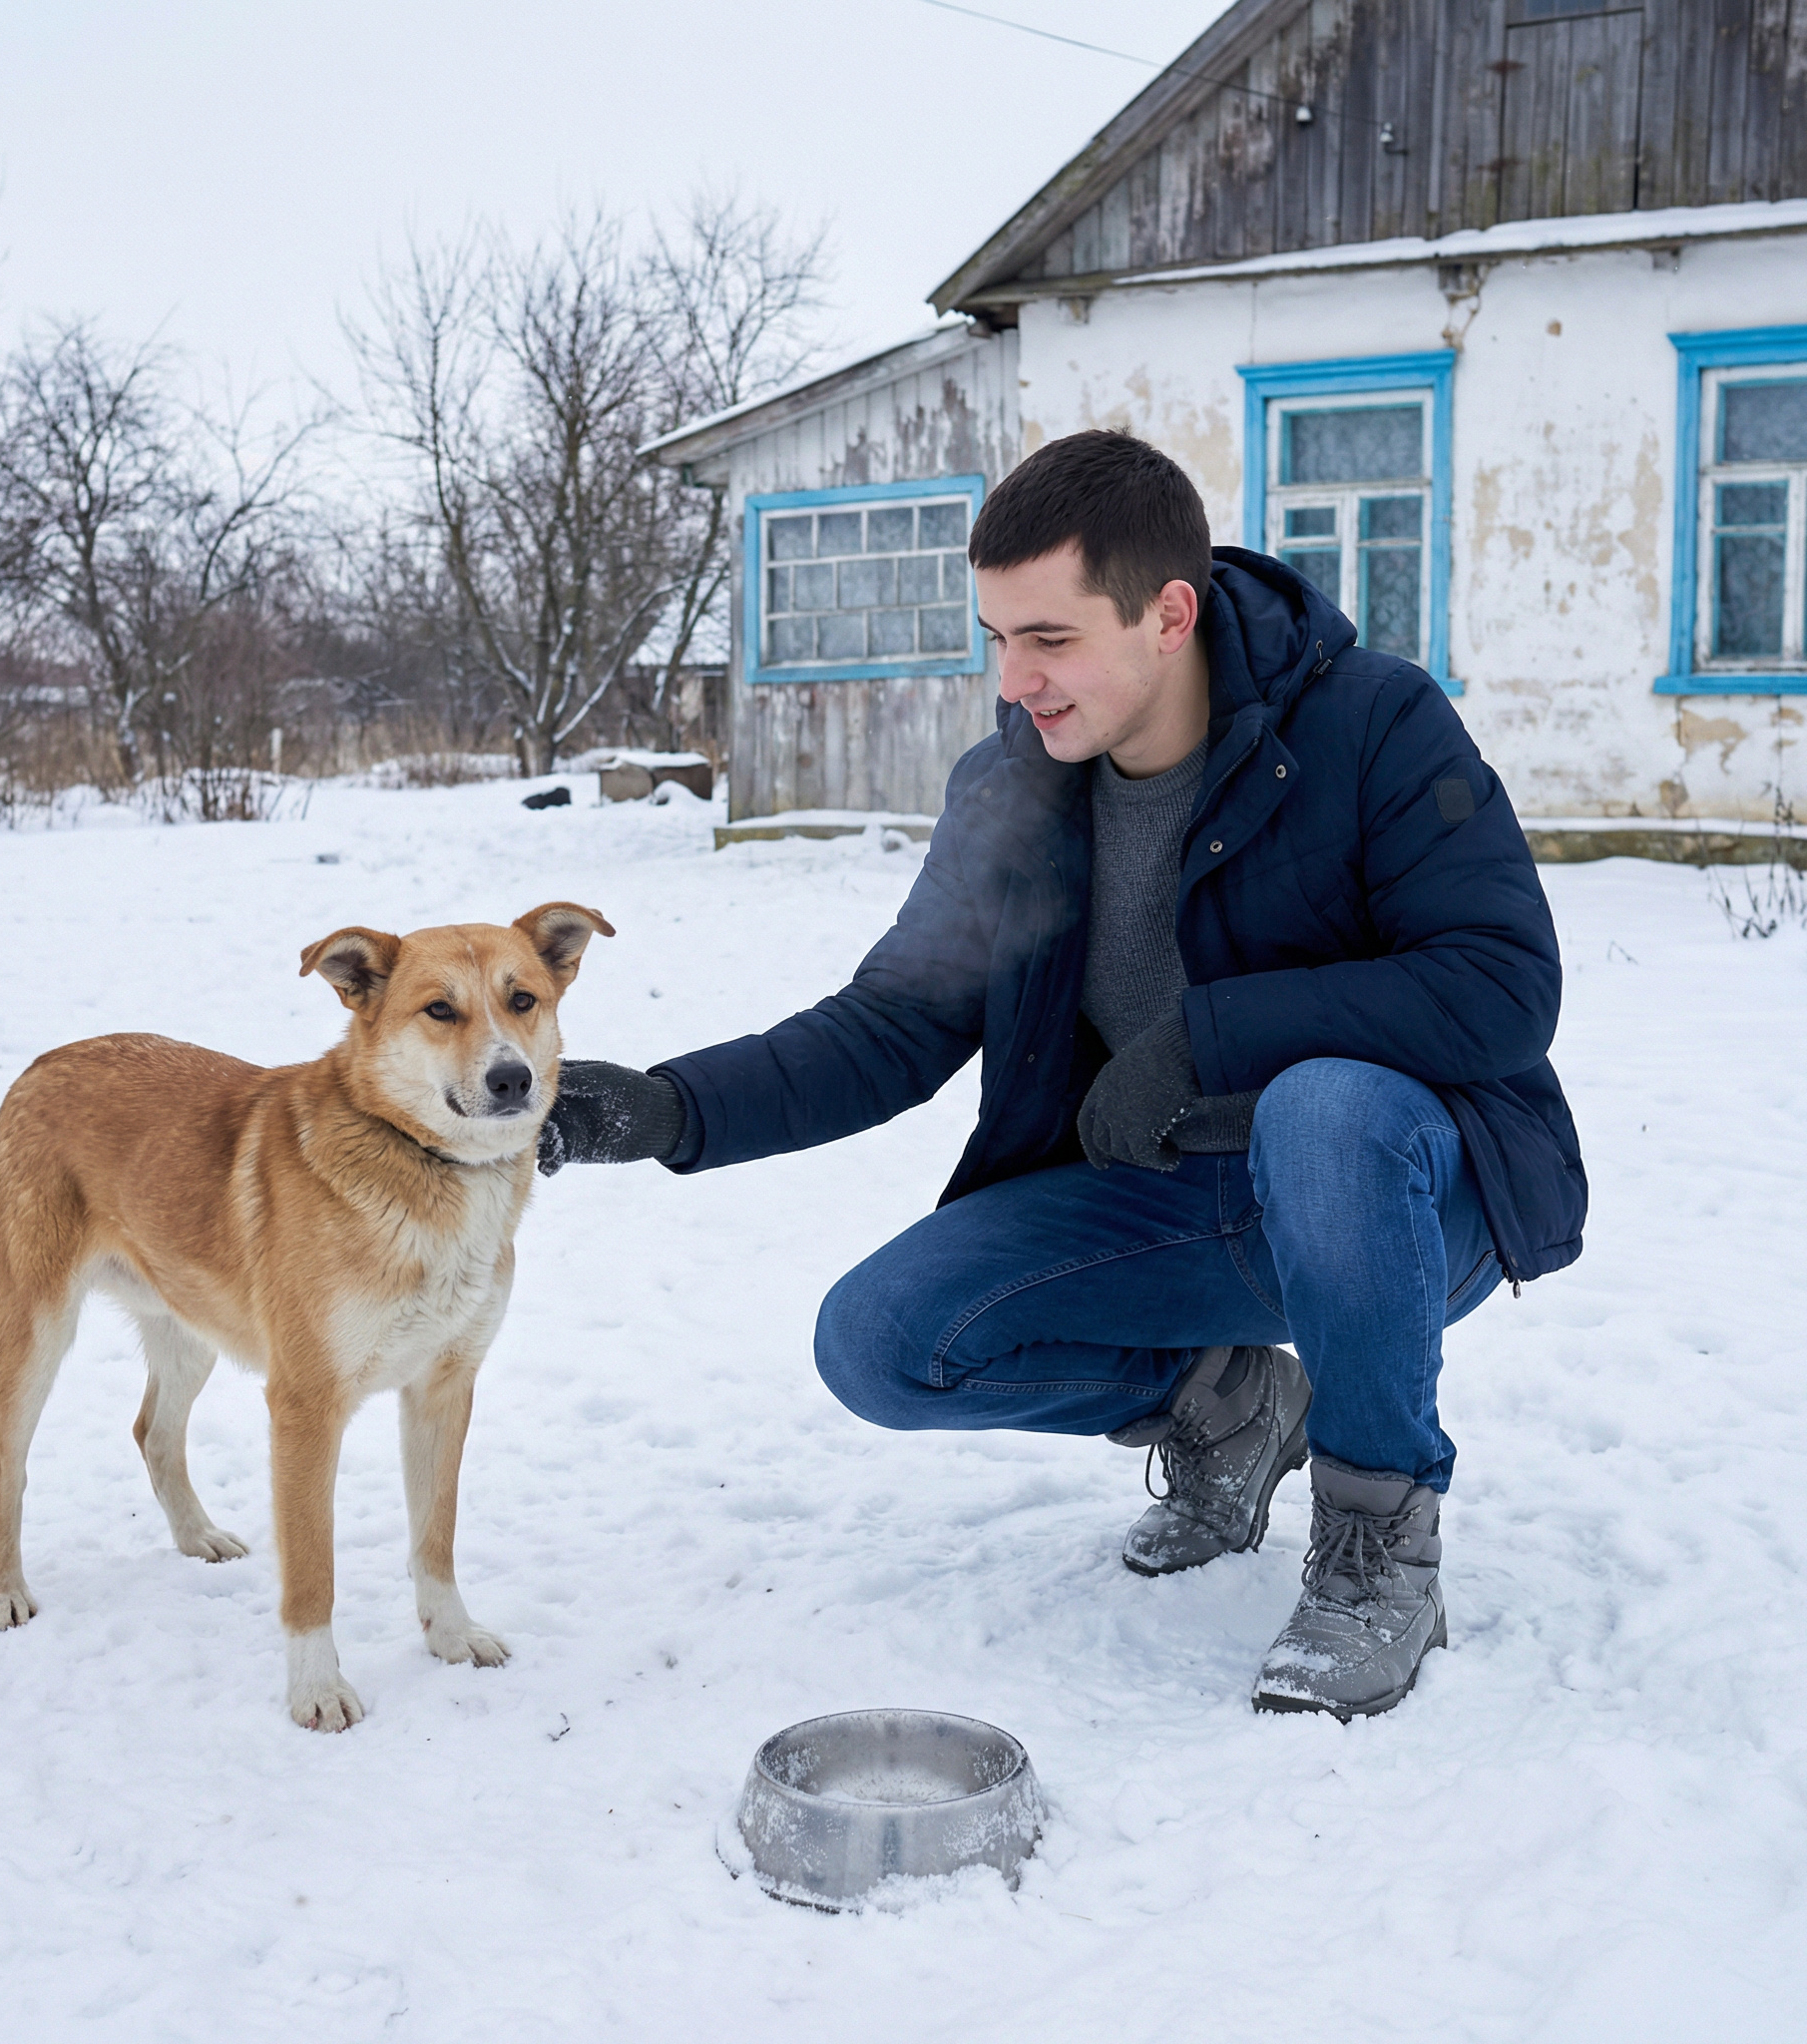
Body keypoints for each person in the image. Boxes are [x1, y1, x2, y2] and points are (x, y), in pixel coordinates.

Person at [540, 430, 1585, 1721]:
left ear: (1168, 613)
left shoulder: (1370, 723)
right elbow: (894, 1021)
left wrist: (1206, 1042)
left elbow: (1500, 989)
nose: (1015, 680)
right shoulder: (1015, 792)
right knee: (880, 1341)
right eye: (996, 639)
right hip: (1165, 1207)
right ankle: (1228, 1401)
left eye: (1048, 639)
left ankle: (1375, 1545)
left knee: (1325, 1108)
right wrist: (668, 1108)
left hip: (1403, 1203)